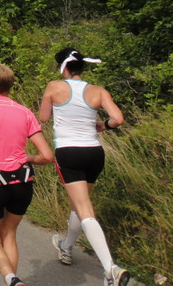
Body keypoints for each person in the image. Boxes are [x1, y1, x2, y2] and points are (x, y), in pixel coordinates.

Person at [39, 48, 131, 286]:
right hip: (94, 152)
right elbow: (118, 119)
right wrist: (104, 125)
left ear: (63, 67)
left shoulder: (54, 87)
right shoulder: (97, 90)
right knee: (78, 205)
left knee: (84, 209)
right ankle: (67, 247)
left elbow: (44, 118)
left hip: (69, 151)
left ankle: (111, 269)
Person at [0, 64, 54, 286]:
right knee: (9, 233)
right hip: (22, 180)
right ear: (11, 85)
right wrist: (29, 158)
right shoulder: (25, 112)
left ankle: (10, 278)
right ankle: (11, 282)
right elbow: (47, 156)